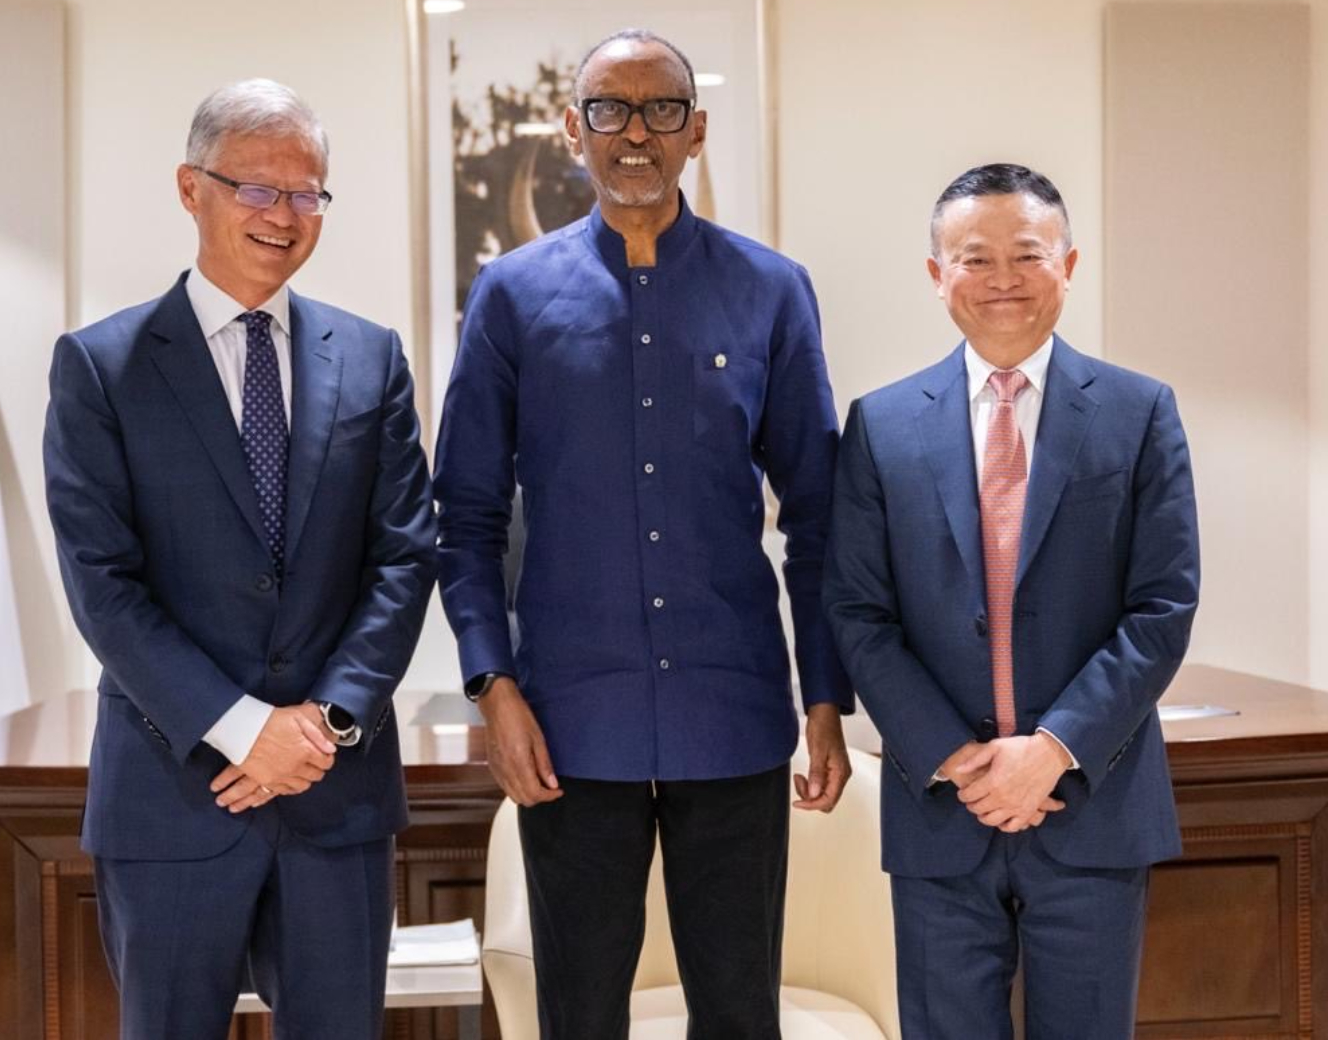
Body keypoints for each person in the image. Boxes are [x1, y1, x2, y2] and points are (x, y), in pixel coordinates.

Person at [434, 29, 854, 1039]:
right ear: (571, 129)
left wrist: (826, 697)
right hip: (569, 723)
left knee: (741, 1015)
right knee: (578, 1016)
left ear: (695, 131)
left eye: (661, 109)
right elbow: (465, 515)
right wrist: (494, 687)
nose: (635, 133)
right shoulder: (511, 295)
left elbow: (818, 513)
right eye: (609, 110)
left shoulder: (771, 289)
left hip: (732, 713)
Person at [43, 79, 436, 1040]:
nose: (283, 215)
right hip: (173, 792)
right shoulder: (102, 365)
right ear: (192, 188)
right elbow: (102, 584)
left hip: (336, 793)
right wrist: (242, 728)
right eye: (257, 188)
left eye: (307, 193)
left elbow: (403, 555)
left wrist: (324, 724)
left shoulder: (372, 357)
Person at [824, 163, 1200, 1038]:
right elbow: (858, 613)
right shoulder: (881, 425)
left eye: (1028, 254)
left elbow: (1162, 608)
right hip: (940, 811)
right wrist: (956, 757)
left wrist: (1053, 750)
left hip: (1093, 806)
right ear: (937, 274)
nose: (1003, 279)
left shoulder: (1140, 413)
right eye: (975, 258)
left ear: (1069, 265)